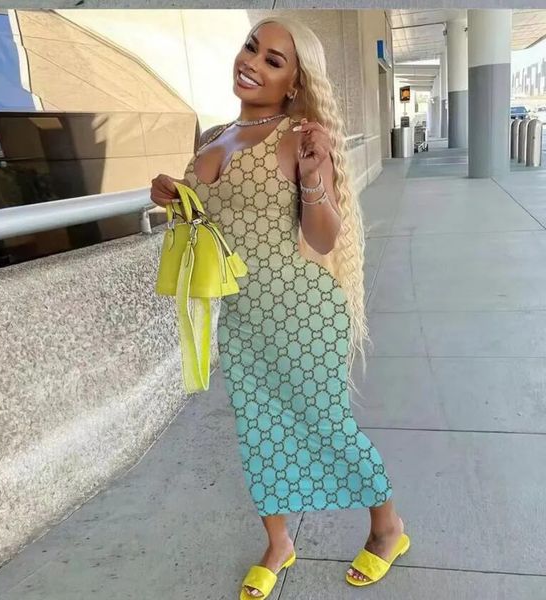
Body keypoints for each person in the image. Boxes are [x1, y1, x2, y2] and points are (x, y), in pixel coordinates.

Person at [150, 16, 410, 599]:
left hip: (303, 313)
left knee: (327, 427)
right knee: (258, 431)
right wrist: (173, 199)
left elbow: (322, 237)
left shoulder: (298, 136)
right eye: (251, 47)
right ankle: (279, 543)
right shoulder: (213, 135)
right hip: (241, 316)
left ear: (295, 81)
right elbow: (217, 223)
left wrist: (315, 176)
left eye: (273, 60)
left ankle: (388, 528)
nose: (252, 62)